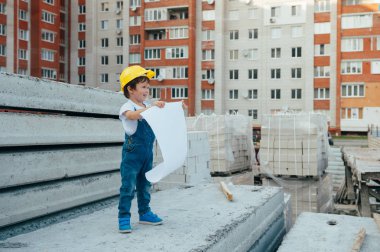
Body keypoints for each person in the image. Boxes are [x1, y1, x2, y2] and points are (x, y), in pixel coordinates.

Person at [118, 65, 165, 233]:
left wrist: (169, 108)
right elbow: (134, 116)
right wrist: (152, 108)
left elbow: (158, 117)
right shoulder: (127, 107)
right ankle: (124, 217)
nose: (147, 90)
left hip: (147, 154)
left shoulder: (146, 105)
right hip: (132, 156)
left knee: (145, 185)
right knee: (128, 186)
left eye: (148, 87)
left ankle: (144, 213)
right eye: (143, 87)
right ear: (130, 89)